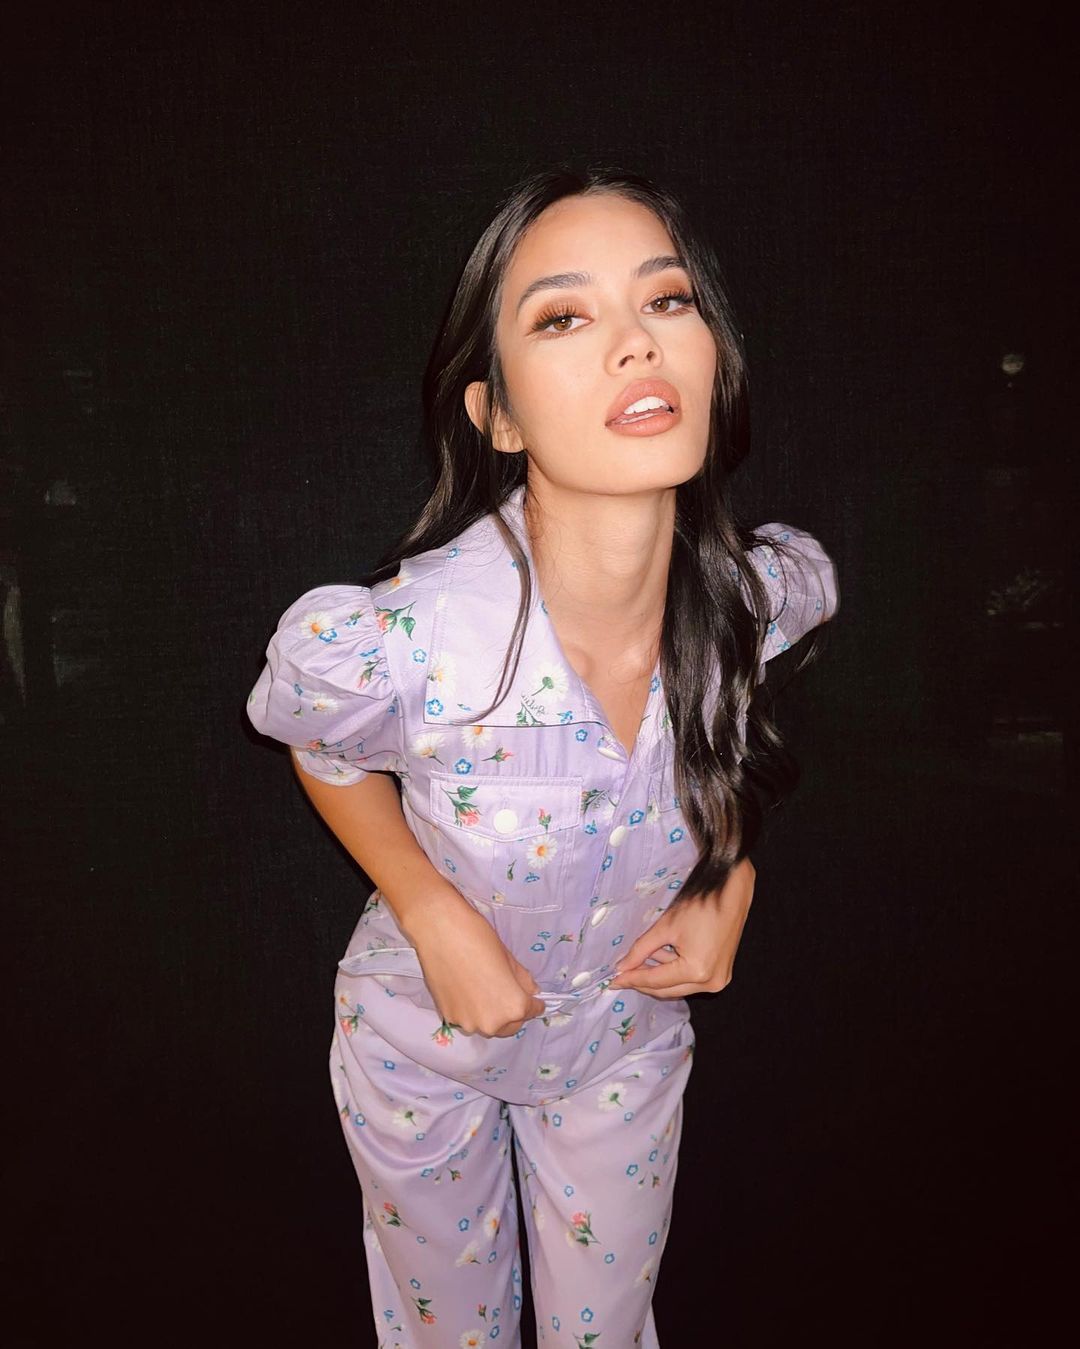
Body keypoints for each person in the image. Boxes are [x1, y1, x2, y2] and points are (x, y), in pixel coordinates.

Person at [246, 166, 839, 1348]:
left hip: (622, 1043)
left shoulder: (753, 597)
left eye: (666, 300)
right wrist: (429, 910)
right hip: (426, 1044)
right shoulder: (410, 639)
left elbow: (723, 727)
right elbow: (320, 743)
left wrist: (728, 874)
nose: (636, 342)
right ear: (498, 414)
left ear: (712, 355)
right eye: (565, 316)